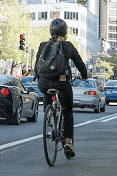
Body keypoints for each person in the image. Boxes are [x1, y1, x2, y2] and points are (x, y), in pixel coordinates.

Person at [34, 19, 88, 158]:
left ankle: (49, 118)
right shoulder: (68, 46)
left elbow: (36, 67)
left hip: (44, 84)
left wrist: (38, 76)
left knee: (47, 94)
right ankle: (68, 142)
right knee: (68, 112)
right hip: (62, 83)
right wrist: (84, 75)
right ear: (65, 31)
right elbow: (79, 63)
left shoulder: (43, 45)